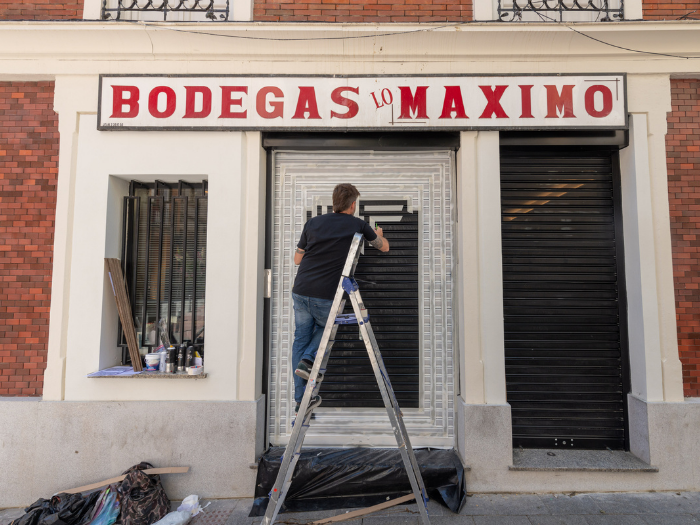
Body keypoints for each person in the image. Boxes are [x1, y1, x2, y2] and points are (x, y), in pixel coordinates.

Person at [291, 183, 390, 414]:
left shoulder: (313, 223)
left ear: (335, 202)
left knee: (300, 340)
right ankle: (308, 360)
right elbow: (383, 247)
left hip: (301, 290)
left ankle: (300, 401)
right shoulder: (358, 225)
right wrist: (379, 235)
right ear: (353, 204)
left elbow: (298, 259)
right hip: (325, 294)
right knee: (325, 331)